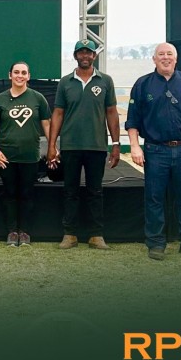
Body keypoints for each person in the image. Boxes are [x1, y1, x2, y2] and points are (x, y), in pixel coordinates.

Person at [125, 43, 181, 261]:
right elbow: (132, 120)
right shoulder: (143, 84)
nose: (165, 57)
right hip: (155, 150)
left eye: (169, 54)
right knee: (154, 198)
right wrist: (134, 146)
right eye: (160, 54)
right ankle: (156, 243)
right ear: (154, 59)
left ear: (176, 58)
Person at [47, 39, 120, 251]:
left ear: (94, 56)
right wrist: (52, 145)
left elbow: (111, 112)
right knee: (70, 191)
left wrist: (116, 144)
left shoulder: (105, 81)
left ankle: (96, 235)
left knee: (95, 191)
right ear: (75, 56)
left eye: (89, 53)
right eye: (81, 52)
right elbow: (58, 113)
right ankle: (69, 234)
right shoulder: (65, 82)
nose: (85, 56)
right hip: (70, 146)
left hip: (97, 146)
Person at [0, 61, 50, 247]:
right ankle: (12, 231)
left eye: (23, 73)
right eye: (16, 72)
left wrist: (52, 147)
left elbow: (46, 123)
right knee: (9, 195)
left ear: (29, 76)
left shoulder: (38, 98)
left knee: (27, 195)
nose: (20, 76)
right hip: (6, 158)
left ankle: (24, 232)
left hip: (30, 157)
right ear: (10, 75)